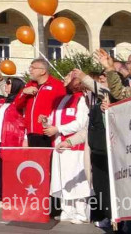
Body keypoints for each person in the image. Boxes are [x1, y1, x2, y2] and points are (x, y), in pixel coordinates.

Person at [45, 69, 91, 224]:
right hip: (59, 145)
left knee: (76, 178)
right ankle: (67, 210)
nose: (64, 78)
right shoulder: (61, 99)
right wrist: (45, 122)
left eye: (68, 76)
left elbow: (81, 123)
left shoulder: (82, 99)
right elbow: (53, 120)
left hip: (75, 145)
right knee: (63, 178)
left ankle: (81, 212)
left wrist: (58, 129)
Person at [12, 58, 66, 147]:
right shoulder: (29, 84)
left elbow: (63, 107)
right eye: (30, 68)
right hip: (31, 132)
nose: (30, 70)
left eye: (33, 68)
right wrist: (24, 92)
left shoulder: (57, 85)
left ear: (43, 71)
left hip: (47, 131)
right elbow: (17, 104)